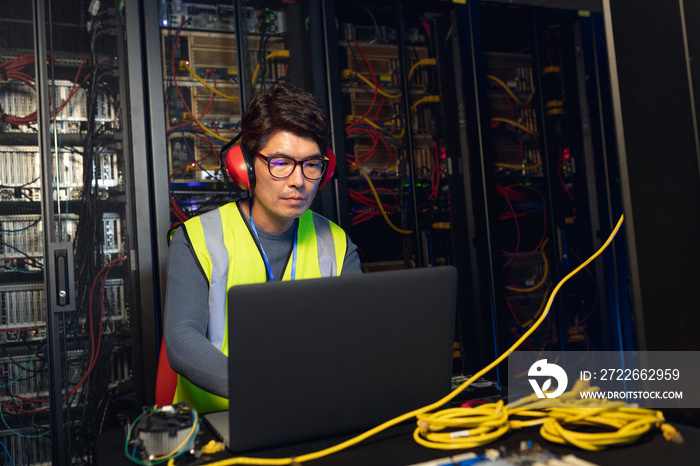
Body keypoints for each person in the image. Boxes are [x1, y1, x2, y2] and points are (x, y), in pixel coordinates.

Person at [161, 87, 362, 413]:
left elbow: (357, 339)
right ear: (246, 165)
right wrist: (264, 389)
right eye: (281, 162)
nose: (298, 180)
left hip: (311, 412)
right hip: (217, 423)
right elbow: (183, 341)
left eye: (311, 164)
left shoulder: (337, 244)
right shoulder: (199, 238)